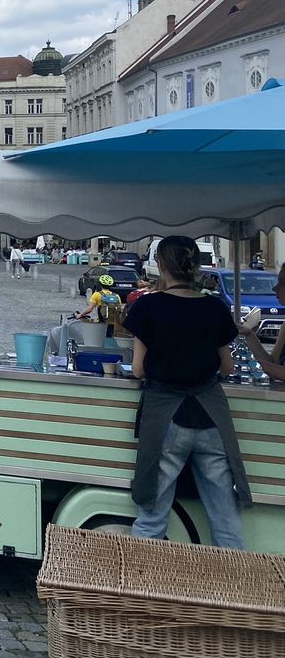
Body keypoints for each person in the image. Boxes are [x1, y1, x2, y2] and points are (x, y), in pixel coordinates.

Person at [125, 235, 249, 548]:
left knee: (153, 516)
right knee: (225, 519)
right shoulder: (215, 307)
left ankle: (139, 589)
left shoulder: (148, 307)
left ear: (162, 264)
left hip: (167, 418)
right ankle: (233, 591)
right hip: (210, 418)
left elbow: (138, 370)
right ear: (195, 265)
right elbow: (228, 367)